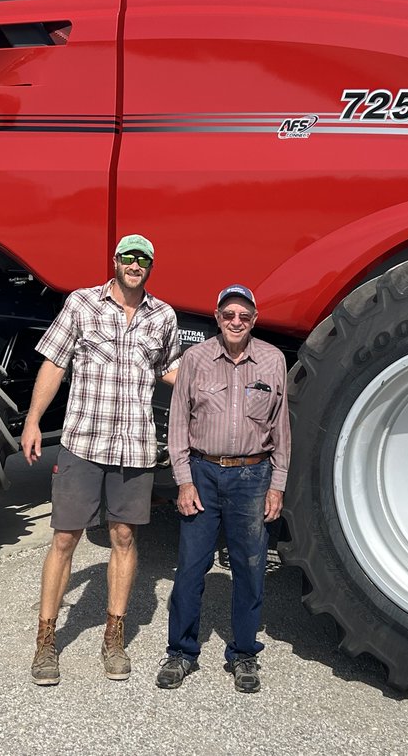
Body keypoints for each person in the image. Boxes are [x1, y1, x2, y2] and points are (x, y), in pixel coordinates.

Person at [22, 233, 180, 686]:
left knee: (125, 537)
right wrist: (33, 420)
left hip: (133, 445)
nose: (135, 264)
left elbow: (170, 369)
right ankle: (46, 640)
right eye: (128, 257)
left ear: (150, 265)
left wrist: (216, 373)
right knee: (66, 539)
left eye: (143, 259)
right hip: (83, 442)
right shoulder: (81, 304)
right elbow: (54, 363)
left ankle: (114, 636)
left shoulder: (162, 316)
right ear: (115, 261)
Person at [156, 284, 290, 694]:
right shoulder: (195, 359)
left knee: (249, 570)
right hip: (202, 474)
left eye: (244, 316)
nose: (236, 322)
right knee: (191, 568)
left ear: (254, 320)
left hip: (253, 477)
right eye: (229, 314)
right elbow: (178, 423)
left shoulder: (273, 359)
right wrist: (182, 480)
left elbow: (281, 428)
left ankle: (244, 654)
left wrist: (277, 486)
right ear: (217, 317)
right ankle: (181, 653)